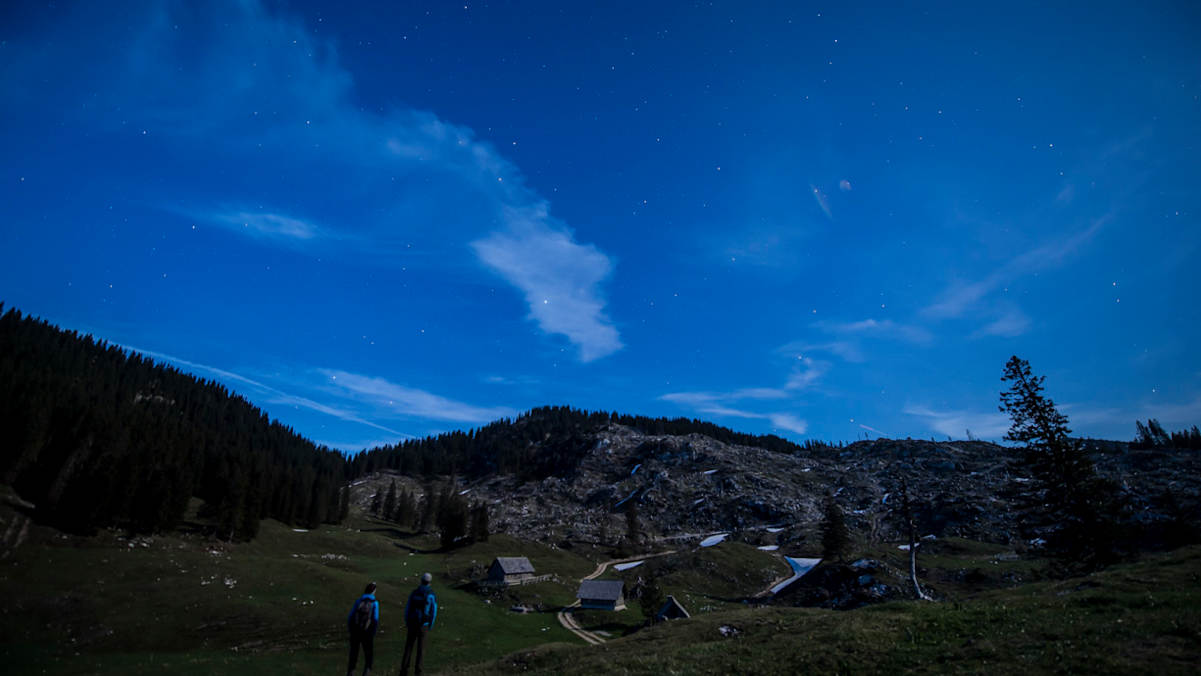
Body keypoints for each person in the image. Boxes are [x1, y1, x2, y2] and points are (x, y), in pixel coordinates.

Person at [400, 572, 437, 675]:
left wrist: (407, 620)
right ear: (430, 582)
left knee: (409, 647)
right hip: (423, 625)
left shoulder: (414, 592)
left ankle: (404, 670)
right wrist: (430, 624)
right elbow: (434, 611)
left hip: (412, 623)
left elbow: (408, 608)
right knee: (421, 649)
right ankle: (418, 671)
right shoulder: (431, 594)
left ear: (421, 580)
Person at [346, 581, 379, 676]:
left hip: (355, 632)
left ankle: (350, 674)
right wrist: (372, 633)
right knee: (368, 658)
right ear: (373, 591)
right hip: (367, 633)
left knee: (353, 656)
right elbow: (375, 619)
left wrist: (351, 630)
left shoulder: (359, 601)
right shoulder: (374, 603)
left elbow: (350, 616)